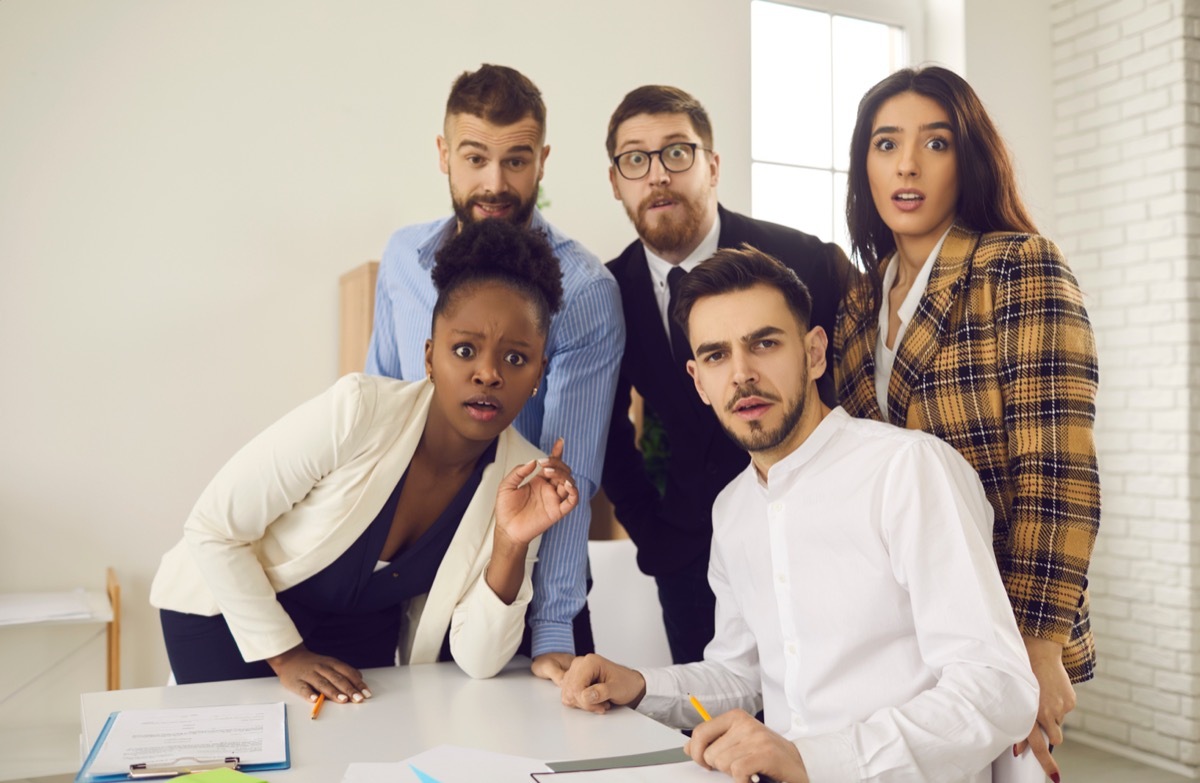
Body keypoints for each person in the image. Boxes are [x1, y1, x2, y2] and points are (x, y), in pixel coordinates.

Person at [558, 247, 1038, 782]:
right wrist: (642, 686)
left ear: (813, 354)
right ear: (698, 382)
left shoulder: (906, 471)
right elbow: (741, 675)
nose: (741, 375)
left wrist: (813, 760)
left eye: (764, 343)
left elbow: (998, 686)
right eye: (717, 356)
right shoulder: (734, 509)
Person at [151, 220, 578, 704]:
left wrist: (510, 542)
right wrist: (287, 656)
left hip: (356, 643)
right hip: (230, 617)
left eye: (516, 360)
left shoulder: (522, 481)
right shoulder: (358, 410)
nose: (488, 374)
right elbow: (213, 528)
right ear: (429, 356)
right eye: (464, 350)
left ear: (540, 373)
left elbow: (479, 661)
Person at [833, 66, 1099, 781]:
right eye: (886, 144)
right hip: (902, 629)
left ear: (969, 157)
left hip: (1006, 617)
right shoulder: (859, 304)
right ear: (865, 164)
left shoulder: (1019, 267)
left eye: (936, 143)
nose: (908, 165)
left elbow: (1058, 469)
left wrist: (1037, 643)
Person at [365, 64, 623, 680]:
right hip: (397, 567)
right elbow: (378, 415)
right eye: (475, 157)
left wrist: (554, 628)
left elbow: (569, 475)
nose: (494, 183)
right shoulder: (402, 260)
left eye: (516, 160)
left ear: (542, 160)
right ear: (444, 154)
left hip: (526, 574)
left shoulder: (584, 292)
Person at [600, 85, 852, 664]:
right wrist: (654, 536)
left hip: (817, 540)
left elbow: (850, 398)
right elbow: (608, 433)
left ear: (712, 165)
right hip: (687, 554)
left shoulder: (806, 259)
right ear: (616, 182)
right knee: (710, 732)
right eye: (635, 159)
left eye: (677, 153)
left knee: (814, 723)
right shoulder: (607, 293)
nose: (657, 174)